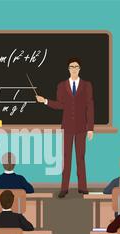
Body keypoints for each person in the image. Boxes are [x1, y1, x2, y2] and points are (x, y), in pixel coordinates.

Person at [36, 57, 94, 198]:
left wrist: (90, 128)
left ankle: (83, 187)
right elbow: (60, 105)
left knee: (80, 157)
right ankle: (64, 188)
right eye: (71, 66)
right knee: (66, 158)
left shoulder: (87, 85)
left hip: (81, 127)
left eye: (76, 66)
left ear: (80, 69)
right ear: (68, 69)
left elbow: (90, 106)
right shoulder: (61, 86)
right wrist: (45, 101)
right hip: (67, 127)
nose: (74, 69)